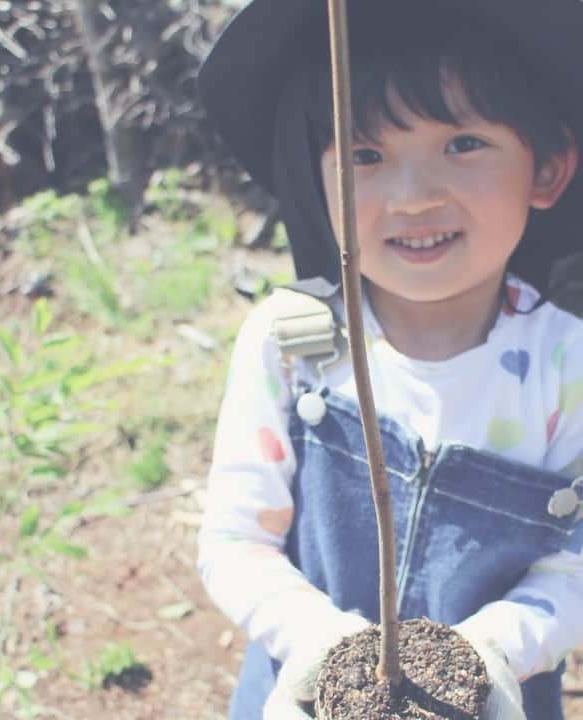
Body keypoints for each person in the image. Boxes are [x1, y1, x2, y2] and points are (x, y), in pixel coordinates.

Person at [196, 1, 583, 719]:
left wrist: (496, 649)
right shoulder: (294, 343)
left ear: (549, 168)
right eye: (365, 157)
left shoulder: (568, 365)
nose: (414, 197)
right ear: (320, 181)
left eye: (462, 143)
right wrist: (318, 644)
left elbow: (575, 563)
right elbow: (234, 537)